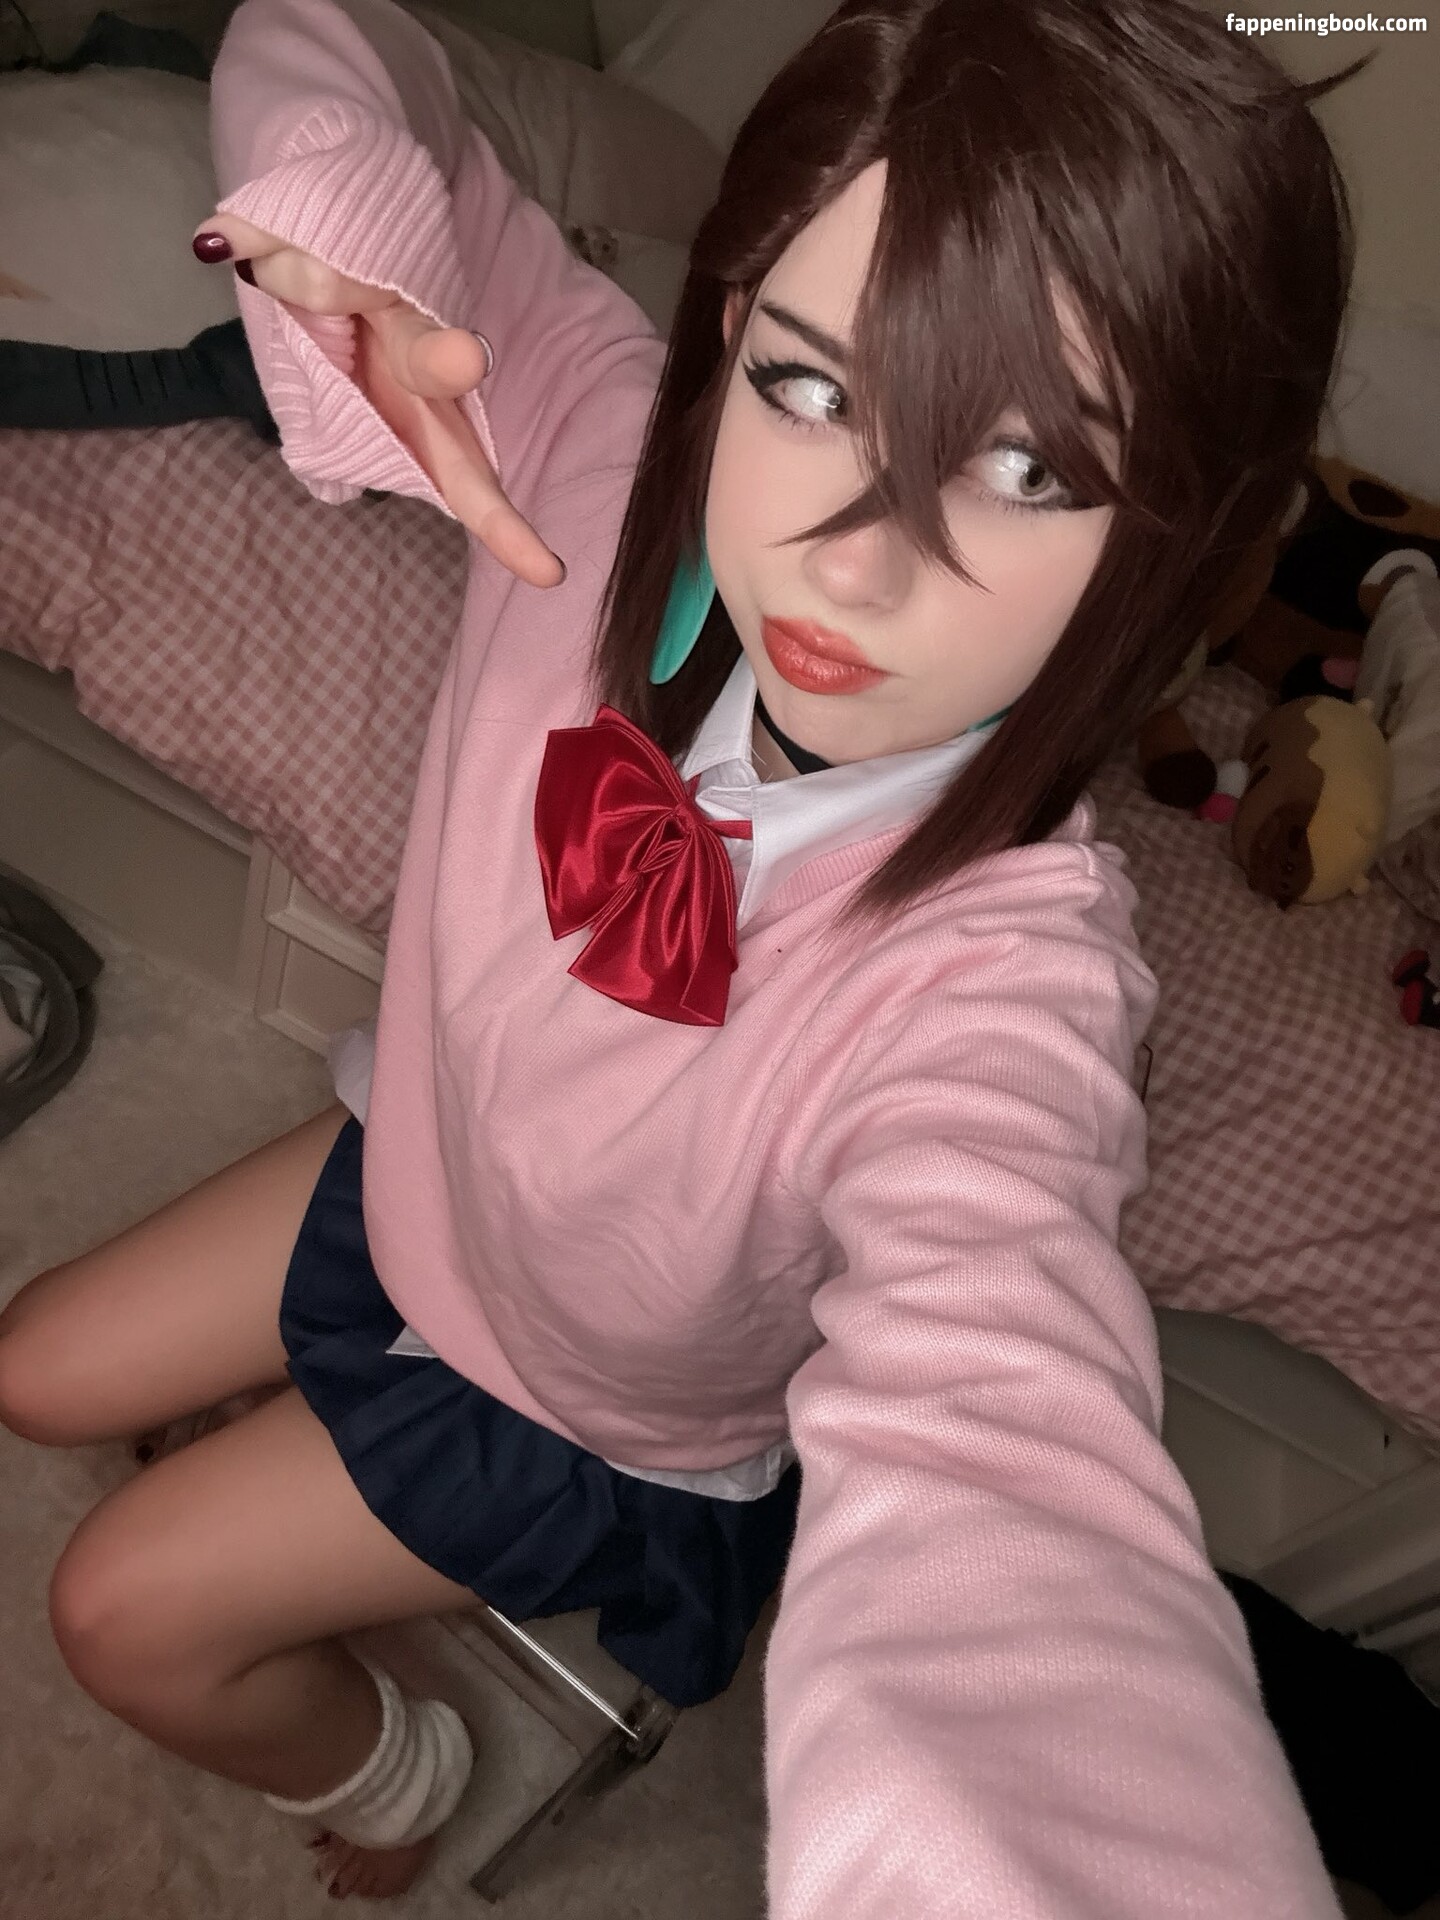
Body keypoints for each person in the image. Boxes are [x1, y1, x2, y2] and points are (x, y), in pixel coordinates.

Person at [0, 0, 1359, 1909]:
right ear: (730, 327)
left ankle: (402, 1766)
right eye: (811, 386)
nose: (852, 560)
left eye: (1030, 469)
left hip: (582, 1416)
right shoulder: (587, 454)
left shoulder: (1005, 989)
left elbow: (1006, 1433)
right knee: (35, 1372)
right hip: (412, 1161)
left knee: (114, 1610)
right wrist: (341, 217)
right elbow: (334, 35)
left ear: (1188, 534)